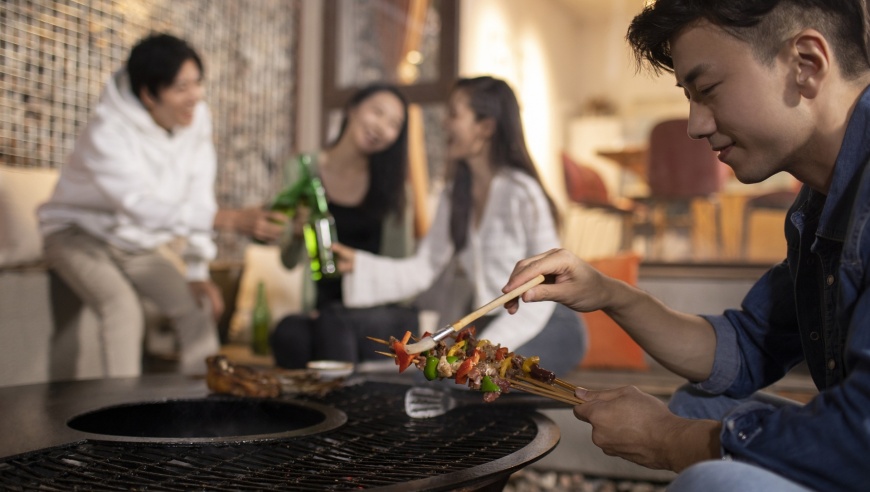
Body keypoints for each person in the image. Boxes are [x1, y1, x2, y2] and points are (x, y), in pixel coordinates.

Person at [500, 1, 870, 490]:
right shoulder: (818, 208)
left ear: (805, 64)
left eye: (708, 89)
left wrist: (670, 441)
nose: (694, 125)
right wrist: (609, 292)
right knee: (697, 405)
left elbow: (859, 434)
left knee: (710, 479)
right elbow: (746, 347)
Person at [333, 76, 587, 376]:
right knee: (436, 378)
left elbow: (547, 286)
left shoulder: (522, 192)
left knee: (477, 381)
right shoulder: (455, 195)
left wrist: (485, 350)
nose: (444, 123)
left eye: (454, 114)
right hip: (492, 324)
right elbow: (424, 268)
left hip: (546, 321)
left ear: (485, 127)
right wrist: (359, 265)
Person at [38, 33, 222, 377]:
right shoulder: (106, 130)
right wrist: (225, 220)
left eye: (197, 83)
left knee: (196, 308)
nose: (195, 96)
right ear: (149, 95)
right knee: (123, 307)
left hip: (134, 240)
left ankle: (206, 412)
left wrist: (197, 270)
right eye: (181, 88)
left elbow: (200, 191)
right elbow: (138, 206)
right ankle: (118, 419)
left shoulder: (196, 118)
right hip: (75, 232)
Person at [269, 83, 417, 369]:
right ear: (352, 109)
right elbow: (288, 261)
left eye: (394, 124)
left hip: (378, 313)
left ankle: (346, 411)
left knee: (333, 323)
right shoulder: (303, 170)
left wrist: (350, 300)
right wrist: (298, 236)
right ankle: (317, 413)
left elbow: (403, 278)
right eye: (377, 112)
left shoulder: (397, 189)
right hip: (323, 313)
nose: (382, 127)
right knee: (289, 333)